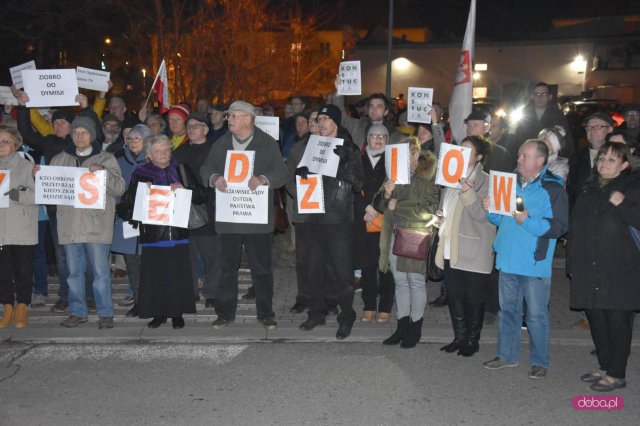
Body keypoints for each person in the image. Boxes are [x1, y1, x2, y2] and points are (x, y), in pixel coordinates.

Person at [482, 139, 568, 379]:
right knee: (508, 311)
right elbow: (501, 221)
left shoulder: (553, 188)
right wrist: (490, 210)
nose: (518, 160)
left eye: (524, 156)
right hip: (508, 258)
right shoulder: (509, 183)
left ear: (539, 161)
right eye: (519, 155)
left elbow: (559, 227)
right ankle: (506, 355)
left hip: (533, 263)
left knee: (536, 316)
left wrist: (526, 221)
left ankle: (540, 360)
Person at [200, 100, 287, 330]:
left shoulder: (266, 143)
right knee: (227, 269)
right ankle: (225, 313)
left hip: (257, 220)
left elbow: (281, 172)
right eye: (229, 116)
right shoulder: (221, 144)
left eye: (234, 116)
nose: (229, 119)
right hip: (229, 219)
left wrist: (263, 179)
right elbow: (205, 170)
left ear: (249, 119)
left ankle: (266, 313)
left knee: (262, 269)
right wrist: (214, 178)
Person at [568, 142, 640, 392]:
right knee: (597, 320)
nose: (604, 163)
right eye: (602, 158)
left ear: (625, 165)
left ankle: (617, 373)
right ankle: (605, 365)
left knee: (618, 322)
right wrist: (572, 266)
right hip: (589, 268)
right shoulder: (589, 189)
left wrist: (624, 205)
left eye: (612, 159)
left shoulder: (632, 188)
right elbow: (575, 229)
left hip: (621, 271)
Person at [290, 104, 363, 339]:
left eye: (325, 119)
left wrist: (343, 164)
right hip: (313, 217)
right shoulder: (311, 146)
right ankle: (316, 313)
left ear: (336, 122)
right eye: (318, 119)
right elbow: (301, 174)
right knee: (314, 268)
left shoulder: (348, 147)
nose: (320, 123)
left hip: (338, 219)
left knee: (342, 272)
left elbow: (359, 184)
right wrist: (301, 174)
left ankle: (346, 316)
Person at [49, 116, 126, 329]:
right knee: (74, 273)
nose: (79, 136)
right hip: (70, 226)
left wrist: (104, 173)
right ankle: (77, 311)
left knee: (100, 273)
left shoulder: (107, 159)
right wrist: (41, 176)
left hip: (96, 226)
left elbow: (120, 188)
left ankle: (105, 313)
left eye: (84, 132)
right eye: (75, 132)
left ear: (92, 135)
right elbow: (50, 192)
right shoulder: (59, 159)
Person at [121, 134, 201, 328]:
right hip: (153, 235)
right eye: (157, 151)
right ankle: (158, 314)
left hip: (178, 234)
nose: (162, 154)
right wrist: (141, 192)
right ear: (149, 154)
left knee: (177, 275)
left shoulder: (181, 169)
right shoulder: (141, 173)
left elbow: (202, 196)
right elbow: (126, 206)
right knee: (156, 276)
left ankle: (177, 314)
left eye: (165, 149)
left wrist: (185, 188)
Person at [435, 136, 496, 356]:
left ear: (479, 157)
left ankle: (472, 340)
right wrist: (438, 218)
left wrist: (467, 191)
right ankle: (459, 337)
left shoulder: (487, 181)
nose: (461, 153)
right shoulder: (449, 177)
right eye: (460, 148)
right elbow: (444, 208)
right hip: (451, 246)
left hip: (475, 249)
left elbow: (485, 216)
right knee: (455, 295)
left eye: (468, 151)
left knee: (474, 298)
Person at [376, 137, 439, 348]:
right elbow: (379, 204)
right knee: (400, 282)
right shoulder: (395, 175)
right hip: (395, 234)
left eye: (409, 154)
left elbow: (429, 209)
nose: (405, 159)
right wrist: (386, 193)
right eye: (401, 154)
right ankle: (402, 326)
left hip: (416, 234)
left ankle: (415, 327)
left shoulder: (428, 176)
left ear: (417, 154)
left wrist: (396, 206)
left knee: (416, 282)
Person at [173, 112, 218, 308]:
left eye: (196, 126)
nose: (191, 130)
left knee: (211, 254)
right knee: (187, 254)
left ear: (206, 129)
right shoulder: (179, 152)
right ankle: (190, 292)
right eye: (189, 127)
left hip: (208, 208)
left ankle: (213, 292)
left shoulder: (215, 150)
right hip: (183, 209)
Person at [353, 124, 395, 323]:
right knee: (367, 264)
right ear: (367, 139)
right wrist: (366, 208)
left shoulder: (394, 162)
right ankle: (369, 305)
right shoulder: (358, 161)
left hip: (386, 219)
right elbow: (352, 188)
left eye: (382, 136)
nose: (378, 140)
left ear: (387, 140)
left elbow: (397, 190)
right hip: (364, 219)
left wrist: (376, 209)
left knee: (385, 265)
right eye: (373, 136)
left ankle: (385, 306)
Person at [0, 125, 38, 329]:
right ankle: (7, 307)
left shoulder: (27, 167)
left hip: (22, 228)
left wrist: (18, 195)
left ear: (16, 144)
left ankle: (22, 305)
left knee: (23, 270)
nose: (0, 146)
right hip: (0, 230)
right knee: (3, 272)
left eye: (5, 142)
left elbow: (39, 196)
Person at [112, 124, 149, 317]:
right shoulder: (118, 160)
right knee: (133, 265)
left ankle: (152, 301)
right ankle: (138, 301)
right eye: (131, 138)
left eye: (138, 138)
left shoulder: (154, 160)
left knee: (149, 265)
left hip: (150, 221)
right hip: (127, 220)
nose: (133, 142)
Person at [567, 112, 614, 210]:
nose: (591, 131)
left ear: (610, 129)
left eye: (597, 127)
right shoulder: (577, 157)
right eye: (588, 128)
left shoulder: (618, 156)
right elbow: (571, 189)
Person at [514, 82, 573, 157]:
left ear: (550, 97)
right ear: (532, 96)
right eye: (537, 94)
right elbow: (518, 137)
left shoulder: (558, 114)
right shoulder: (525, 114)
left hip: (551, 157)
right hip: (528, 156)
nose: (540, 97)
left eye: (544, 94)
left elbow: (566, 139)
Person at [331, 92, 403, 148]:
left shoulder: (395, 136)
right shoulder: (357, 126)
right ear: (368, 110)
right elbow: (342, 117)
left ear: (386, 112)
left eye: (379, 106)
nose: (374, 109)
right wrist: (338, 93)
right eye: (371, 106)